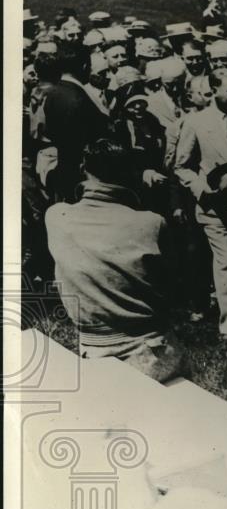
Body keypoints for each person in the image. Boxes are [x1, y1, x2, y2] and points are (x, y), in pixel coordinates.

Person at [45, 139, 185, 381]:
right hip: (152, 353)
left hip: (94, 351)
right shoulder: (151, 223)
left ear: (83, 170)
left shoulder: (57, 217)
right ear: (130, 174)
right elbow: (172, 287)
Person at [175, 67, 227, 339]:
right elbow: (181, 166)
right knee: (226, 262)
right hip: (215, 206)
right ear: (215, 89)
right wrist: (204, 191)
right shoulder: (195, 122)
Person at [42, 42, 109, 203]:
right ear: (85, 66)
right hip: (82, 178)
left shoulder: (54, 92)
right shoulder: (78, 99)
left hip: (64, 169)